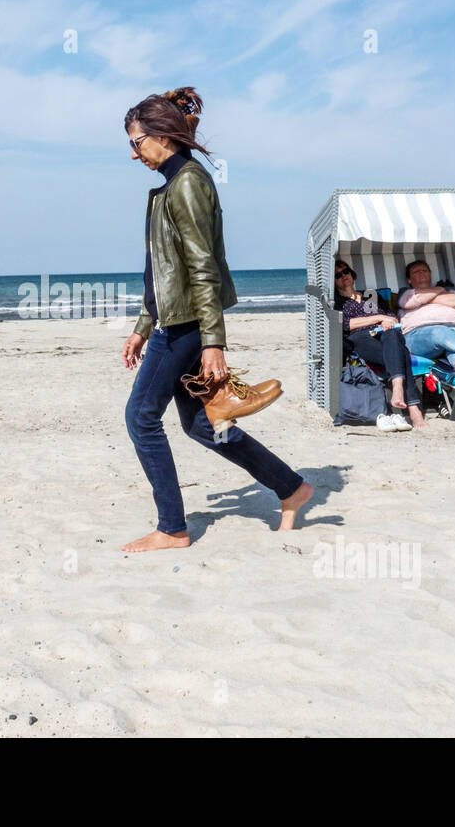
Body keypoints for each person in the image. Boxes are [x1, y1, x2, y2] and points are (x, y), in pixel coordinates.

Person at [120, 87, 312, 552]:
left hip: (187, 326)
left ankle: (172, 528)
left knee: (141, 418)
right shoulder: (172, 185)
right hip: (175, 320)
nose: (133, 153)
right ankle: (291, 488)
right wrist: (143, 326)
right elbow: (162, 271)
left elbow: (202, 268)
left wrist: (213, 343)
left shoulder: (187, 182)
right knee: (202, 425)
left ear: (162, 135)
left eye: (137, 141)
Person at [334, 259, 425, 429]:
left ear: (351, 274)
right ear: (334, 280)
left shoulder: (370, 295)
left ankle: (398, 389)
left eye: (345, 271)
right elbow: (345, 324)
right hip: (359, 338)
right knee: (402, 354)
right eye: (338, 275)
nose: (343, 276)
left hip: (385, 335)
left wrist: (387, 321)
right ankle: (414, 410)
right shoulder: (338, 301)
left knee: (393, 335)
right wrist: (378, 318)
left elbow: (390, 317)